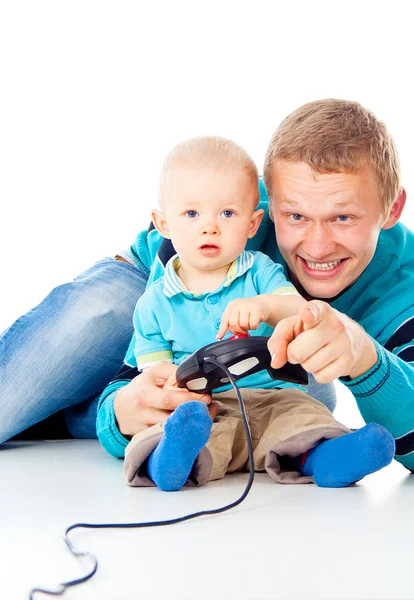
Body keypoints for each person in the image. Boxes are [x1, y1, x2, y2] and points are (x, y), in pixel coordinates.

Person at [1, 99, 413, 472]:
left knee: (312, 395)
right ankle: (77, 407)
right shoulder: (236, 213)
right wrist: (124, 405)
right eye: (295, 217)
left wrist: (364, 359)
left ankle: (68, 413)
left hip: (259, 369)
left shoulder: (403, 287)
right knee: (88, 323)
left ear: (392, 207)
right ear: (266, 210)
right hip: (155, 279)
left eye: (343, 218)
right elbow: (164, 322)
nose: (318, 246)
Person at [108, 135, 393, 491]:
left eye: (227, 214)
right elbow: (154, 372)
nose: (209, 227)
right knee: (184, 426)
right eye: (192, 214)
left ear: (253, 224)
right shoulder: (153, 303)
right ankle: (170, 459)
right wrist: (176, 390)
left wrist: (264, 305)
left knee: (303, 418)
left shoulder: (261, 271)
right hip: (207, 403)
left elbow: (299, 311)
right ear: (163, 224)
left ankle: (330, 458)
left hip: (275, 394)